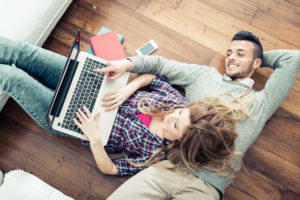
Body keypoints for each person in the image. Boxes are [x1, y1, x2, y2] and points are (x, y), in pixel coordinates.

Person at [0, 37, 248, 177]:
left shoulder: (157, 154)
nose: (174, 113)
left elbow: (110, 168)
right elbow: (152, 78)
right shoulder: (178, 104)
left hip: (73, 120)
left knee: (12, 78)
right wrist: (130, 88)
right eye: (181, 112)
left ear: (181, 141)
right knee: (23, 53)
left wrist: (95, 139)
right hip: (89, 83)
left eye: (176, 123)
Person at [95, 30, 300, 199]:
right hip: (169, 167)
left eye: (240, 53)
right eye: (229, 52)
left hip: (206, 187)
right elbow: (160, 65)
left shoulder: (261, 102)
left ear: (256, 63)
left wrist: (258, 57)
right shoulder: (204, 76)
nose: (231, 57)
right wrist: (127, 63)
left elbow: (293, 58)